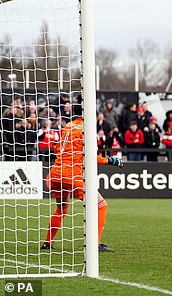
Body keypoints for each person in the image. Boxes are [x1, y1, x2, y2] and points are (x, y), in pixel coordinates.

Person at [42, 96, 124, 252]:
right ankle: (96, 244)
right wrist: (110, 161)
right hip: (71, 175)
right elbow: (91, 157)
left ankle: (47, 242)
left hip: (55, 174)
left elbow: (57, 149)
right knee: (101, 206)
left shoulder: (68, 126)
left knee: (61, 209)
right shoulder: (86, 129)